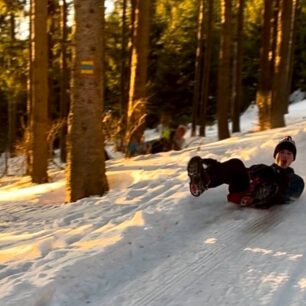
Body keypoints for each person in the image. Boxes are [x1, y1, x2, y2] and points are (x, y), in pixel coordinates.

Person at [187, 136, 304, 208]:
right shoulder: (262, 167)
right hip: (243, 187)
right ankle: (202, 182)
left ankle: (257, 196)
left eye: (289, 153)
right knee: (236, 163)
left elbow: (289, 197)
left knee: (272, 183)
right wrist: (217, 168)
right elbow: (245, 173)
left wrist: (261, 195)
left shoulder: (295, 180)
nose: (285, 155)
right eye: (282, 152)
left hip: (263, 196)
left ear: (293, 159)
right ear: (275, 155)